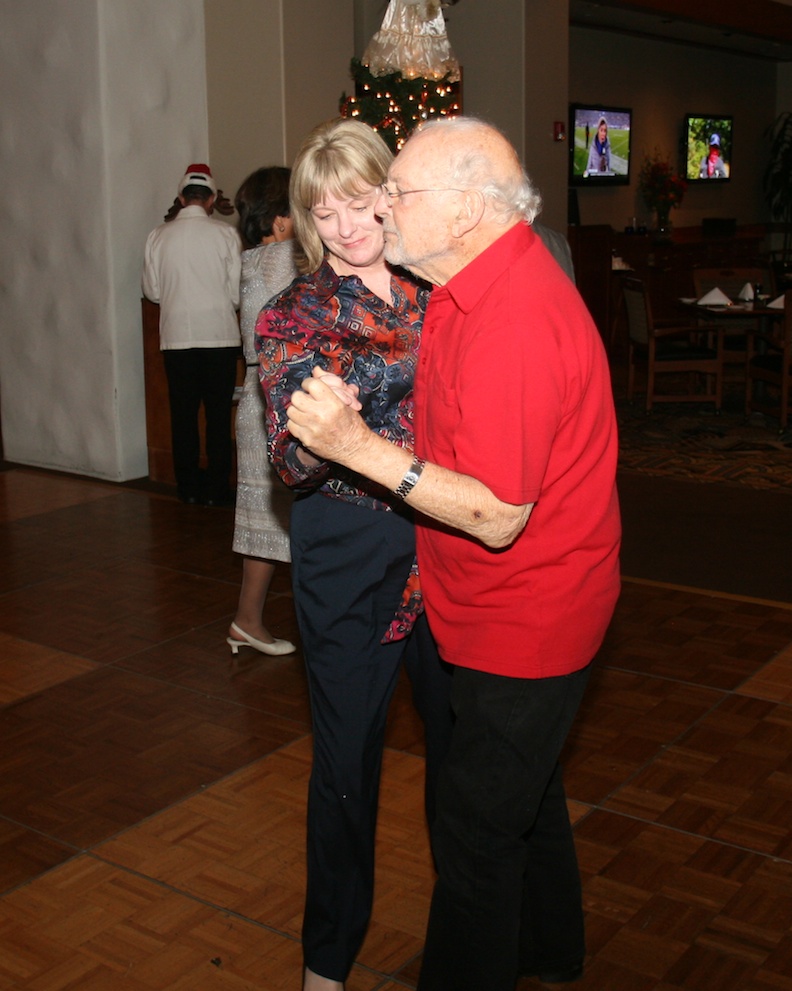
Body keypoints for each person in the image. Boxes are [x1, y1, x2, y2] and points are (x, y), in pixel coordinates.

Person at [282, 116, 621, 991]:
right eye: (353, 203)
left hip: (523, 612)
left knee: (475, 833)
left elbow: (500, 512)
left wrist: (355, 443)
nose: (380, 213)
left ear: (467, 209)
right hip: (467, 599)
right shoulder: (468, 288)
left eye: (396, 193)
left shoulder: (506, 314)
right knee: (524, 794)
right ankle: (550, 949)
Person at [254, 118, 453, 991]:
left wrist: (353, 401)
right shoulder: (291, 314)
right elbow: (292, 456)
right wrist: (350, 407)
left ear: (390, 191)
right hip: (347, 550)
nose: (343, 222)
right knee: (344, 767)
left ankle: (473, 933)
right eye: (321, 208)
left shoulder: (436, 290)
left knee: (461, 752)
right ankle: (326, 962)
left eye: (359, 197)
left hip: (448, 540)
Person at [226, 166, 298, 657]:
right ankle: (252, 621)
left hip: (259, 391)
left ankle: (247, 620)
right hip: (282, 393)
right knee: (293, 515)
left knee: (265, 518)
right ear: (279, 220)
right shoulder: (286, 257)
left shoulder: (252, 259)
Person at [142, 164, 242, 505]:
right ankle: (217, 489)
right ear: (211, 199)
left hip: (177, 340)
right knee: (217, 416)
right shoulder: (226, 235)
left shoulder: (158, 235)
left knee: (182, 416)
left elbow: (152, 291)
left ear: (182, 198)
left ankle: (187, 488)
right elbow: (236, 295)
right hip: (220, 338)